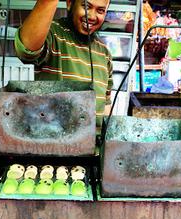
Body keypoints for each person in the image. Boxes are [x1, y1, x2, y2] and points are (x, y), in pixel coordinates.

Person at [14, 0, 113, 131]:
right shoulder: (53, 33)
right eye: (86, 6)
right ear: (69, 3)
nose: (92, 17)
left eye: (100, 10)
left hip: (92, 147)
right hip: (52, 142)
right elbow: (26, 49)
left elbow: (105, 104)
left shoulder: (104, 52)